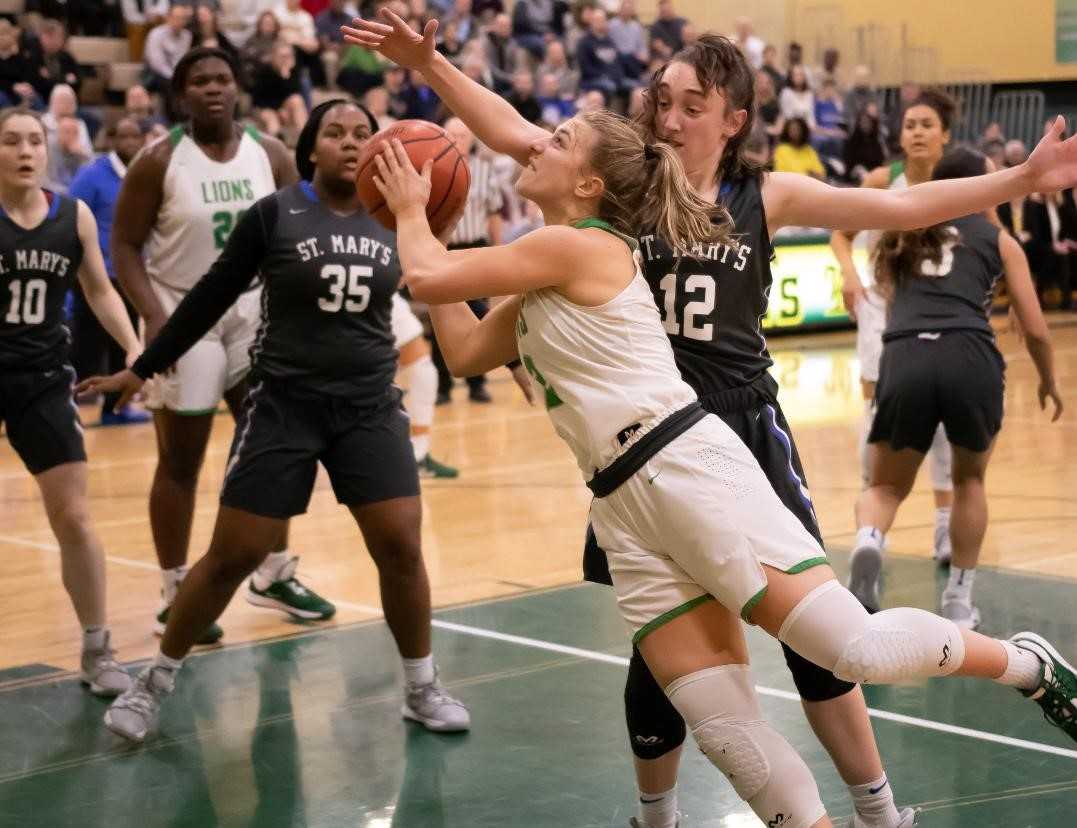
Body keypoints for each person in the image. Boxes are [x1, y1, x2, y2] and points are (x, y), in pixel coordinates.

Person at [345, 14, 1077, 827]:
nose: (668, 116)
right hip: (624, 475)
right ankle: (679, 813)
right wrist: (433, 65)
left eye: (691, 103)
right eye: (662, 99)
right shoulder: (623, 191)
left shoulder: (746, 194)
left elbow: (895, 206)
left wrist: (1014, 183)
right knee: (712, 715)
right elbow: (514, 144)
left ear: (734, 117)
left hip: (714, 431)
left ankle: (919, 767)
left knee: (836, 650)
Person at [82, 99, 471, 743]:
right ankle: (154, 683)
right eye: (335, 132)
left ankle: (421, 686)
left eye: (363, 134)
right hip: (284, 402)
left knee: (401, 544)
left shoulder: (402, 220)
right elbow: (208, 297)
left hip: (368, 404)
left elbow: (450, 284)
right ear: (310, 149)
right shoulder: (275, 213)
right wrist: (143, 366)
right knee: (236, 553)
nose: (351, 142)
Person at [111, 47, 334, 645]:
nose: (213, 89)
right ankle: (175, 587)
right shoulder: (158, 162)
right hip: (185, 312)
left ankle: (272, 572)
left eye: (222, 79)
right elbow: (125, 248)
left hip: (255, 311)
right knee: (181, 459)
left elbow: (306, 230)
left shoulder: (272, 153)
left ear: (238, 88)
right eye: (199, 81)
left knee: (275, 444)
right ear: (181, 95)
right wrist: (154, 316)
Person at [855, 147, 1063, 629]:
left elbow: (890, 304)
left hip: (906, 353)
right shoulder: (998, 238)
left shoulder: (899, 234)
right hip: (970, 354)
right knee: (969, 481)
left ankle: (869, 540)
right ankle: (958, 601)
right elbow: (1035, 328)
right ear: (976, 187)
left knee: (885, 486)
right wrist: (1049, 381)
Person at [0, 108, 142, 699]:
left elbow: (99, 290)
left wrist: (136, 349)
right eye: (11, 141)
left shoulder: (73, 215)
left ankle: (96, 647)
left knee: (76, 519)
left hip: (40, 380)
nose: (26, 151)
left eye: (35, 140)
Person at [831, 89, 959, 594]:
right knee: (875, 411)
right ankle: (871, 529)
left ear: (945, 134)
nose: (918, 132)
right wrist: (848, 276)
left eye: (927, 124)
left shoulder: (962, 182)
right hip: (883, 310)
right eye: (910, 124)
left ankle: (946, 524)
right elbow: (841, 233)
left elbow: (994, 237)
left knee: (946, 415)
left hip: (939, 313)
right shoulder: (882, 181)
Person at [68, 116, 151, 426]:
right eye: (123, 136)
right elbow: (71, 214)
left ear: (143, 140)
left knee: (122, 346)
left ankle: (115, 407)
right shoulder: (92, 175)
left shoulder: (144, 173)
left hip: (129, 274)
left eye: (135, 137)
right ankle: (70, 405)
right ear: (112, 139)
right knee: (86, 346)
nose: (129, 142)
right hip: (95, 274)